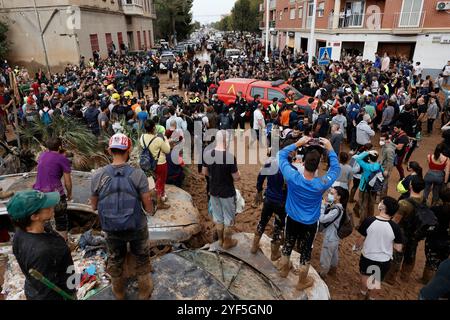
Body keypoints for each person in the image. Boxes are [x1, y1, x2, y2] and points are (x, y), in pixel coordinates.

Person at [90, 133, 154, 300]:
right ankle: (144, 293)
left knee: (115, 260)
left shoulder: (98, 175)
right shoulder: (138, 174)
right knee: (142, 259)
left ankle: (119, 294)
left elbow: (93, 205)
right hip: (137, 226)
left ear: (110, 150)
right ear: (129, 150)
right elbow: (147, 201)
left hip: (111, 229)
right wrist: (150, 211)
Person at [278, 136, 340, 290]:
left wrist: (297, 143)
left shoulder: (292, 177)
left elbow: (280, 155)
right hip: (309, 223)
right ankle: (301, 281)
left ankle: (284, 270)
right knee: (306, 251)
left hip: (292, 218)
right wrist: (330, 148)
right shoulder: (321, 183)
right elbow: (336, 169)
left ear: (303, 162)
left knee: (288, 244)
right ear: (318, 165)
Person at [7, 190, 76, 300]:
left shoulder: (20, 233)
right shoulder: (43, 251)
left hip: (34, 289)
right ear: (34, 217)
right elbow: (47, 292)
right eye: (47, 206)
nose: (52, 206)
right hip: (59, 295)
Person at [356, 196, 403, 300]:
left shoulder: (369, 220)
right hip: (384, 260)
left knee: (365, 276)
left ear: (383, 207)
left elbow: (360, 238)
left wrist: (357, 247)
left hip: (368, 256)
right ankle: (372, 298)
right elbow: (398, 247)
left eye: (381, 202)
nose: (379, 203)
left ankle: (362, 293)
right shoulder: (395, 227)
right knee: (376, 281)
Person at [203, 130, 241, 249]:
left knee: (218, 217)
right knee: (229, 218)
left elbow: (204, 172)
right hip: (227, 192)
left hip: (214, 190)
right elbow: (236, 177)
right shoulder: (230, 157)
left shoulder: (208, 154)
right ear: (226, 141)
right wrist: (238, 174)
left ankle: (220, 240)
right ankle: (227, 242)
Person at [33, 138, 72, 240]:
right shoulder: (62, 159)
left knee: (43, 220)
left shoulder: (42, 156)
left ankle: (46, 241)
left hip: (39, 193)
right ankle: (63, 243)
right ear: (60, 147)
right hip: (55, 193)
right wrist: (69, 194)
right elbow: (67, 181)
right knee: (61, 220)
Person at [389, 176, 426, 283]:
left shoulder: (404, 204)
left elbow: (395, 221)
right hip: (415, 232)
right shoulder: (424, 201)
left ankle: (391, 278)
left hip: (402, 233)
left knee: (397, 254)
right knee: (411, 254)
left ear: (410, 186)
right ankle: (405, 277)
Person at [251, 153, 286, 261]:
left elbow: (260, 177)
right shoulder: (289, 169)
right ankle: (274, 254)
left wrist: (259, 190)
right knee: (278, 227)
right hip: (281, 203)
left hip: (269, 199)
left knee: (262, 221)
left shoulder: (269, 164)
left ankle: (254, 246)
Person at [318, 186, 349, 279]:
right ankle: (333, 269)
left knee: (326, 256)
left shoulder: (336, 210)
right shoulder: (339, 207)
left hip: (330, 237)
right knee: (334, 253)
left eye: (332, 193)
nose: (329, 195)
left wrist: (322, 206)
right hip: (335, 236)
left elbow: (322, 219)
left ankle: (323, 274)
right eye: (329, 192)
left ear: (338, 197)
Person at [422, 187, 450, 284]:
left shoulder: (434, 209)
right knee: (443, 261)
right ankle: (437, 281)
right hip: (447, 241)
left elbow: (426, 223)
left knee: (430, 262)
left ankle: (426, 281)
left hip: (433, 239)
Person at [141, 120, 171, 209]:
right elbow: (167, 150)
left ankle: (158, 196)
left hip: (148, 163)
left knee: (155, 180)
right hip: (160, 163)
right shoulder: (158, 140)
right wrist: (166, 140)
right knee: (161, 181)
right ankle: (159, 202)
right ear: (154, 127)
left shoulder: (142, 137)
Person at [353, 150, 382, 227]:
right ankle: (370, 221)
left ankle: (362, 224)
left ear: (369, 158)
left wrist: (367, 152)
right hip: (374, 189)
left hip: (364, 188)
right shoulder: (379, 166)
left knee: (363, 206)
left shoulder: (366, 166)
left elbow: (358, 158)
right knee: (371, 205)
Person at [379, 133, 396, 199]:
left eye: (382, 140)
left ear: (387, 140)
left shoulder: (389, 149)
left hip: (385, 168)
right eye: (380, 139)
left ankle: (382, 197)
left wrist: (386, 170)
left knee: (384, 183)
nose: (381, 141)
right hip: (382, 165)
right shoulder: (385, 145)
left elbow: (390, 161)